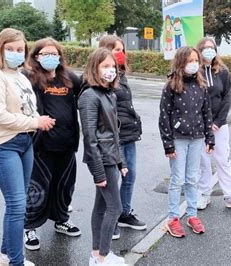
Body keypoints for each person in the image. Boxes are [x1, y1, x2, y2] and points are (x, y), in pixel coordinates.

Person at [0, 28, 55, 266]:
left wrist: (36, 120)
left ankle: (5, 255)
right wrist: (35, 122)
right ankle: (15, 261)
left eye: (19, 49)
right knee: (16, 204)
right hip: (3, 145)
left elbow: (25, 108)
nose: (15, 53)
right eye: (9, 49)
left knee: (19, 206)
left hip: (24, 142)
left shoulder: (19, 76)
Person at [22, 37, 82, 251]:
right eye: (45, 54)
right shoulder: (29, 78)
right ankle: (29, 227)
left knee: (64, 186)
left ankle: (61, 219)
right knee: (38, 189)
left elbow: (88, 88)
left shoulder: (68, 77)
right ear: (36, 56)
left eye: (54, 54)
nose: (50, 57)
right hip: (41, 146)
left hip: (66, 144)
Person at [159, 46, 215, 238]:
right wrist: (168, 143)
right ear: (181, 62)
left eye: (196, 60)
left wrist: (210, 138)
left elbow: (207, 113)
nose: (193, 64)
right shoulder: (171, 85)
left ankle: (192, 215)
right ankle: (173, 218)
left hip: (197, 138)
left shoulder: (202, 85)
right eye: (190, 60)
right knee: (177, 180)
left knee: (192, 178)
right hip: (178, 138)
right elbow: (164, 116)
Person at [78, 48, 127, 265]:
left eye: (113, 66)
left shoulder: (109, 94)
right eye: (105, 66)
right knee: (115, 207)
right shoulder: (89, 96)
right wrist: (99, 173)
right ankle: (103, 256)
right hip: (101, 159)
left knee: (101, 206)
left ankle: (97, 254)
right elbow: (90, 137)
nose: (110, 70)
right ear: (94, 68)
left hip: (110, 157)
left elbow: (114, 132)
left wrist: (121, 161)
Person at [98, 35, 146, 240]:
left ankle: (124, 213)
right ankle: (110, 218)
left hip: (128, 134)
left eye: (122, 49)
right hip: (111, 138)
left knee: (130, 176)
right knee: (111, 179)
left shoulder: (121, 75)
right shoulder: (102, 77)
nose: (120, 53)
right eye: (115, 49)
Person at [195, 37, 231, 210]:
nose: (209, 51)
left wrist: (218, 122)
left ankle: (230, 196)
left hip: (219, 125)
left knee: (222, 160)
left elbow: (226, 98)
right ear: (199, 50)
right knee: (203, 161)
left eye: (212, 48)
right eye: (205, 48)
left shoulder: (223, 71)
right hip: (199, 125)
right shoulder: (194, 71)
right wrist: (204, 123)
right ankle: (204, 194)